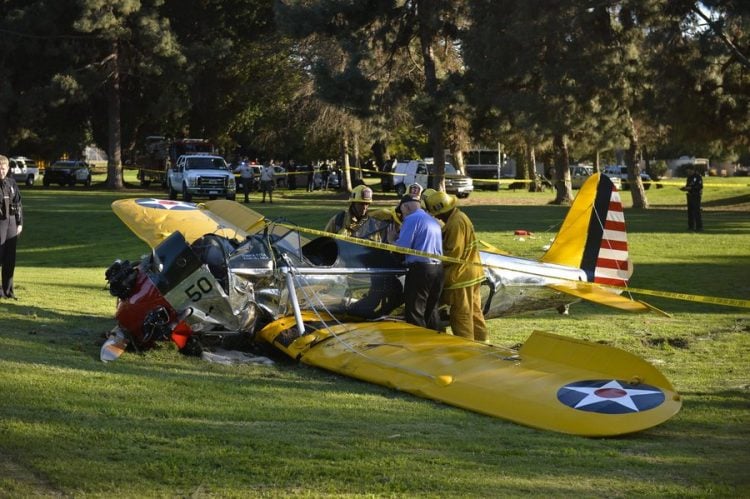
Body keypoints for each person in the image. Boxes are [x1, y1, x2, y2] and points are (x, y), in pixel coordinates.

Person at [425, 191, 488, 342]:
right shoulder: (459, 217)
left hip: (461, 277)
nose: (437, 217)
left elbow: (454, 254)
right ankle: (483, 344)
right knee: (475, 313)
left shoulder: (455, 223)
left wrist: (432, 258)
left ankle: (466, 348)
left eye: (437, 214)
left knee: (461, 315)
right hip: (472, 273)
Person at [393, 195, 444, 330]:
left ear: (406, 206)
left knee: (415, 311)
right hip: (438, 269)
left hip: (421, 270)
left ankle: (417, 345)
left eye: (401, 212)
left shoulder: (411, 219)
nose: (401, 216)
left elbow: (403, 247)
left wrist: (391, 240)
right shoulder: (432, 220)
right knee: (431, 310)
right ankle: (437, 343)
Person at [0, 155, 23, 299]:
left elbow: (19, 204)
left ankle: (8, 291)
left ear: (7, 169)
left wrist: (20, 223)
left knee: (10, 259)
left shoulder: (12, 183)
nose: (1, 171)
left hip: (11, 223)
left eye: (3, 168)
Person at [681, 165, 703, 231]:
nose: (688, 172)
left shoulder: (698, 177)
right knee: (690, 212)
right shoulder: (689, 178)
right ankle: (691, 227)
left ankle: (699, 227)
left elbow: (699, 186)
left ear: (692, 170)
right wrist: (684, 188)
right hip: (689, 195)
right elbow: (688, 186)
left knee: (697, 211)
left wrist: (691, 188)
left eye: (688, 171)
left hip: (696, 195)